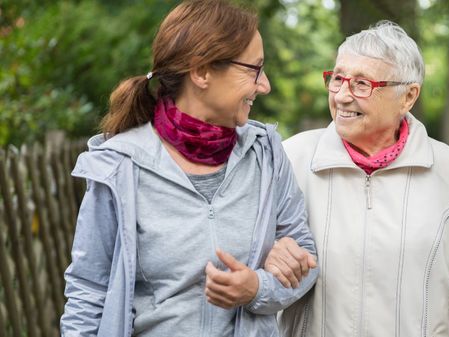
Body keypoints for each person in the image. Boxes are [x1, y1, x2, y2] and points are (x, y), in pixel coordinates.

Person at [60, 1, 318, 336]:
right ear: (201, 72)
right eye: (254, 69)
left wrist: (257, 288)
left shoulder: (266, 153)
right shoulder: (119, 166)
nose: (264, 84)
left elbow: (305, 260)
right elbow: (87, 292)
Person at [265, 21, 449, 337]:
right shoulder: (288, 160)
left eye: (362, 84)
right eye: (337, 79)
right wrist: (268, 255)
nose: (342, 96)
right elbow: (243, 251)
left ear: (407, 96)